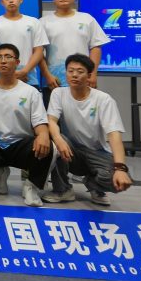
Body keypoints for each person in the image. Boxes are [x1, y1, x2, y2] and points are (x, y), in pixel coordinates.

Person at [42, 54, 132, 206]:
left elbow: (114, 135)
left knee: (119, 180)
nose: (74, 75)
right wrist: (58, 140)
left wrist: (120, 169)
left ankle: (94, 186)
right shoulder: (58, 93)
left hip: (97, 152)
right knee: (53, 141)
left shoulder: (103, 99)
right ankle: (63, 190)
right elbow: (51, 120)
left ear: (89, 75)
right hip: (72, 151)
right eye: (70, 71)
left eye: (80, 71)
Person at [0, 43, 52, 207]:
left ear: (17, 62)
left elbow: (40, 123)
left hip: (20, 144)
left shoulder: (30, 92)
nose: (3, 61)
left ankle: (31, 186)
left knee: (48, 146)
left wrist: (43, 135)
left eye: (8, 57)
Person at [40, 0, 110, 103]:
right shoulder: (43, 22)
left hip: (83, 80)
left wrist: (93, 73)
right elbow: (38, 52)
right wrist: (47, 76)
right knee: (53, 114)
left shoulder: (87, 19)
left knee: (84, 114)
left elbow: (95, 47)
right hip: (54, 82)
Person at [0, 0, 48, 89]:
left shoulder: (33, 22)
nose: (11, 1)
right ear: (2, 2)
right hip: (2, 78)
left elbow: (38, 51)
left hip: (28, 78)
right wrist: (11, 73)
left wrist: (24, 71)